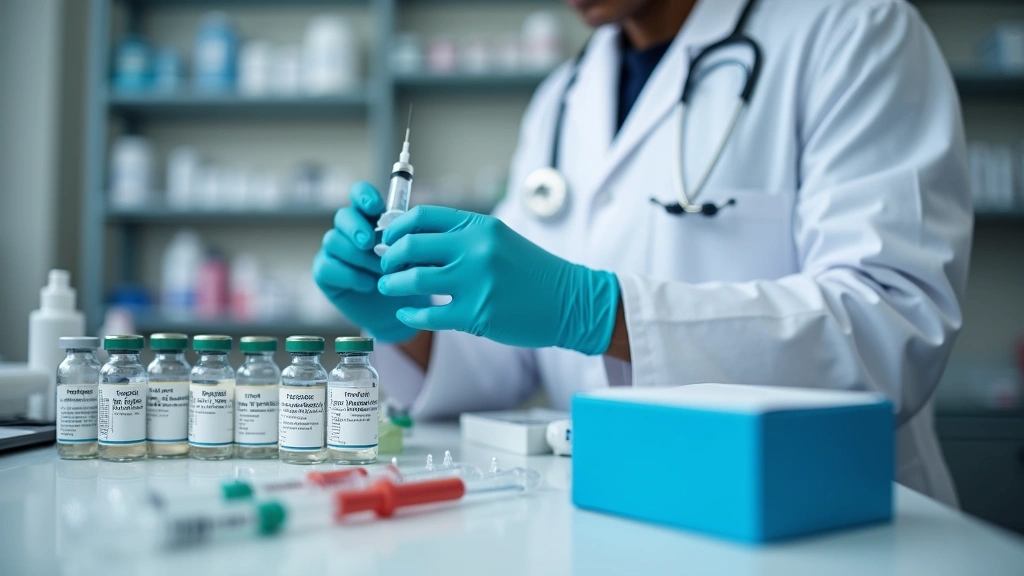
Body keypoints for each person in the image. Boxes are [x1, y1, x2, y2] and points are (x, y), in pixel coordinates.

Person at [313, 0, 971, 507]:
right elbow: (512, 351)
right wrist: (402, 324)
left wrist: (602, 312)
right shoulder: (561, 101)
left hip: (813, 513)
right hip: (609, 508)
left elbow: (892, 323)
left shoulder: (854, 31)